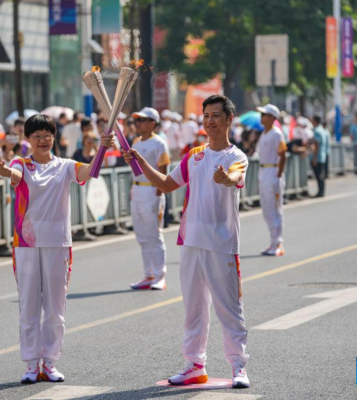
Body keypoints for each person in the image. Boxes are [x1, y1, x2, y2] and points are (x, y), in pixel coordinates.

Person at [122, 95, 251, 389]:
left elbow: (235, 176)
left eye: (216, 115)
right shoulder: (194, 156)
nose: (209, 121)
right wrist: (141, 162)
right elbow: (167, 185)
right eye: (206, 115)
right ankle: (195, 363)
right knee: (194, 307)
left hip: (222, 243)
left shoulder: (236, 156)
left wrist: (226, 178)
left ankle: (238, 365)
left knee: (229, 306)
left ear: (229, 119)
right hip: (191, 241)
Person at [0, 114, 114, 384]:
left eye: (47, 135)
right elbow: (14, 174)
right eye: (36, 135)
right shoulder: (21, 164)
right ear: (28, 139)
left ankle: (49, 362)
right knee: (28, 304)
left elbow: (89, 172)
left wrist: (102, 149)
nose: (42, 140)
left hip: (58, 243)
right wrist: (7, 173)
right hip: (26, 244)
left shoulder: (65, 166)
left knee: (55, 306)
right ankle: (30, 364)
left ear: (53, 137)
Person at [129, 107, 170, 290]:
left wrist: (159, 194)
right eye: (137, 120)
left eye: (143, 120)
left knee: (154, 235)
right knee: (142, 237)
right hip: (137, 193)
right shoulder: (136, 142)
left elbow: (164, 169)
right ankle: (149, 274)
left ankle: (160, 277)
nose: (138, 123)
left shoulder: (159, 143)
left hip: (152, 192)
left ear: (153, 123)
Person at [256, 104, 287, 256]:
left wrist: (278, 175)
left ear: (272, 118)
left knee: (275, 210)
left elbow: (283, 154)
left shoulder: (277, 134)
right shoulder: (264, 133)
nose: (261, 117)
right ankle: (273, 242)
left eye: (264, 115)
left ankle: (278, 243)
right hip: (263, 171)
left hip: (273, 171)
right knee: (267, 209)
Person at [311, 116, 329, 197]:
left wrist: (314, 158)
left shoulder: (317, 130)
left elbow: (317, 144)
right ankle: (321, 191)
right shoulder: (322, 129)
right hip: (322, 155)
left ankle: (320, 192)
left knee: (319, 175)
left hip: (318, 156)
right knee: (321, 175)